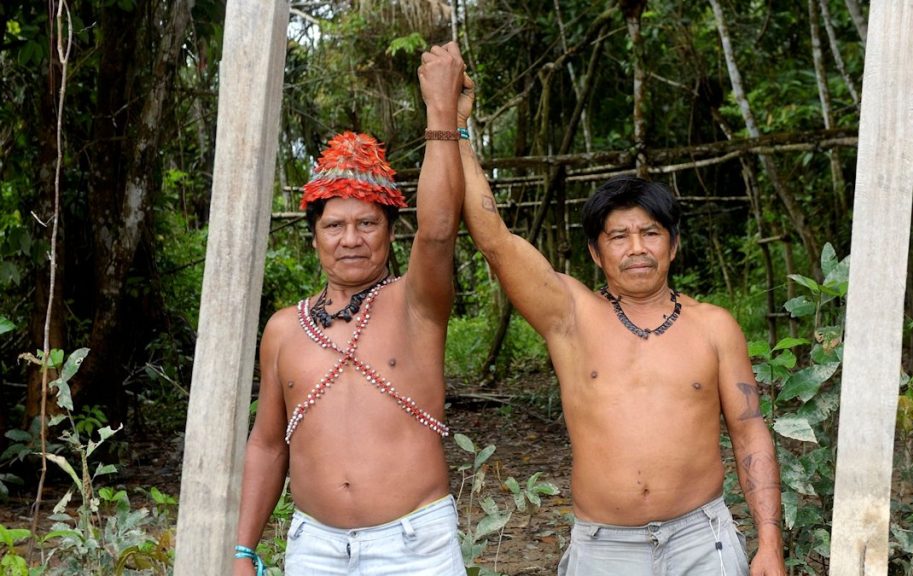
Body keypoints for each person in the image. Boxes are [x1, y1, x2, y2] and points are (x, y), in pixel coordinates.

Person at [455, 75, 785, 576]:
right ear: (595, 250)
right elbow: (495, 241)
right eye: (619, 236)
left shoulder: (714, 326)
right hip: (604, 547)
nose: (636, 248)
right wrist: (458, 132)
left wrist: (769, 543)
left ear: (672, 246)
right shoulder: (570, 316)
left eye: (651, 233)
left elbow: (750, 432)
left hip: (702, 538)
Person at [233, 42, 469, 576]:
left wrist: (441, 112)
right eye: (334, 226)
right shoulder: (283, 330)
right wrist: (244, 551)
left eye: (367, 224)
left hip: (416, 548)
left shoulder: (416, 304)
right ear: (314, 237)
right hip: (314, 550)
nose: (351, 240)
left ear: (389, 232)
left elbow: (436, 232)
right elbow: (269, 446)